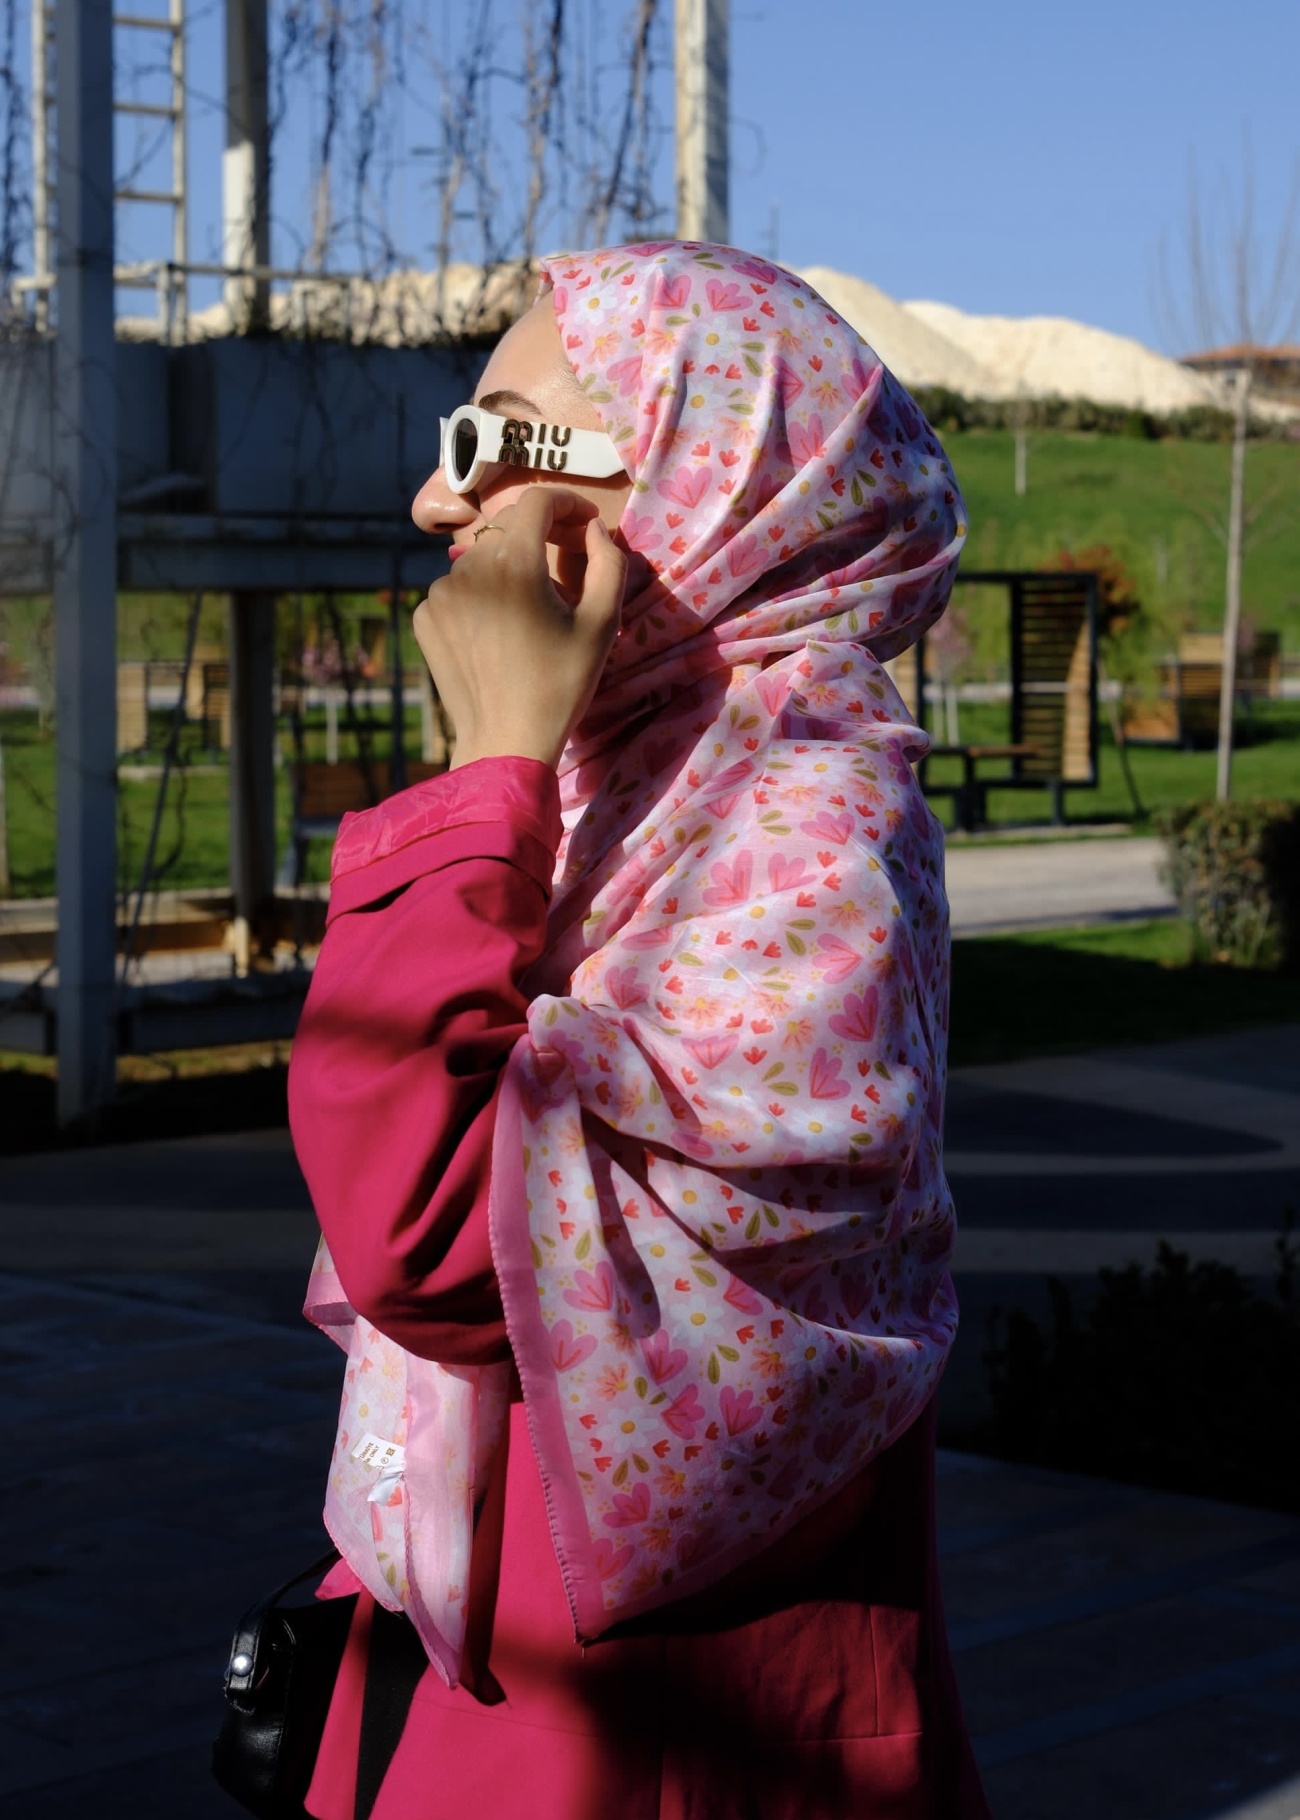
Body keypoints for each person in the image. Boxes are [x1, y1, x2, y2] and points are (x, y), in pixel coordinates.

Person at [288, 240, 991, 1820]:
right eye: (451, 441)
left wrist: (485, 772)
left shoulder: (807, 826)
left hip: (668, 1743)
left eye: (497, 443)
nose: (438, 502)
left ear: (702, 476)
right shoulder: (630, 781)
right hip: (511, 1688)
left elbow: (432, 1241)